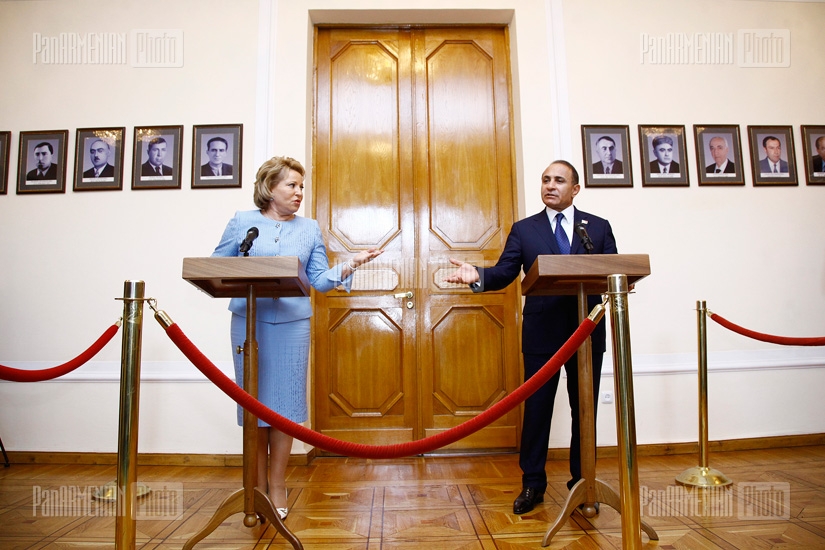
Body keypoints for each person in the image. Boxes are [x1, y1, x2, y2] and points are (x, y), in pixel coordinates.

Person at [211, 156, 383, 520]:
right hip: (248, 322)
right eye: (291, 185)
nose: (299, 192)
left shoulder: (309, 229)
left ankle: (276, 485)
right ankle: (254, 487)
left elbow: (319, 280)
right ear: (269, 187)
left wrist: (351, 264)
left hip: (292, 326)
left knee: (284, 408)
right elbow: (217, 265)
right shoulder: (242, 222)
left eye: (302, 186)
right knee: (253, 405)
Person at [445, 160, 617, 515]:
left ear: (575, 189)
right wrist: (476, 274)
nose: (550, 186)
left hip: (586, 332)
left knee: (584, 409)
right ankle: (533, 484)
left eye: (559, 180)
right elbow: (506, 272)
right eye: (545, 180)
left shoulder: (597, 229)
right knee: (537, 409)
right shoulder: (525, 230)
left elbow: (612, 271)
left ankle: (582, 481)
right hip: (542, 332)